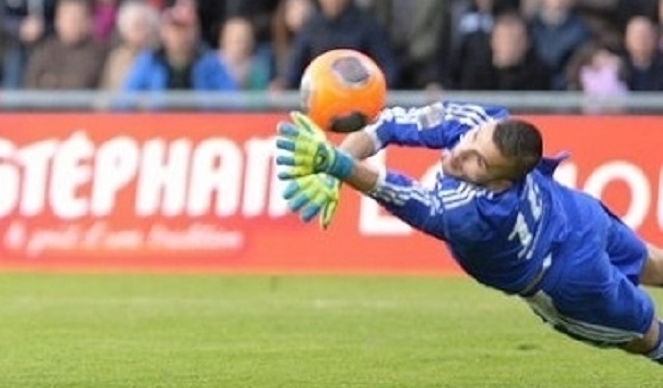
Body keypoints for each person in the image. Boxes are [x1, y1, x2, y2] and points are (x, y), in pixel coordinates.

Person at [275, 102, 663, 365]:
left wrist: (337, 165)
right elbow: (388, 124)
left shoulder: (477, 214)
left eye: (479, 163)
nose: (463, 154)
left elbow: (402, 194)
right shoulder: (480, 122)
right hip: (577, 214)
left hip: (571, 278)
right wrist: (341, 164)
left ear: (498, 184)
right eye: (472, 142)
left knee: (645, 335)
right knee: (651, 262)